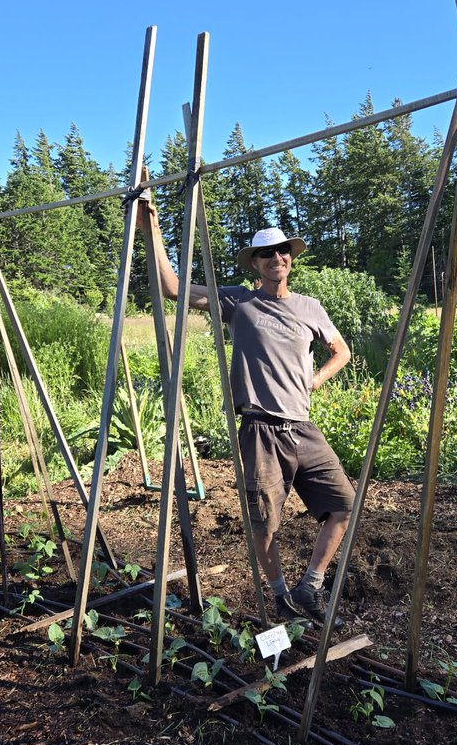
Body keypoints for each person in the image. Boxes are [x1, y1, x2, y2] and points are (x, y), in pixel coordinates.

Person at [138, 201, 355, 627]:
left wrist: (315, 380)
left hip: (303, 427)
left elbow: (341, 351)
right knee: (264, 522)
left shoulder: (310, 307)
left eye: (282, 251)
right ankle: (280, 597)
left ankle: (309, 586)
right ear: (255, 264)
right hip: (260, 428)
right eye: (266, 253)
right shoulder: (238, 302)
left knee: (344, 504)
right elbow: (173, 289)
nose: (277, 258)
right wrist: (153, 231)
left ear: (290, 258)